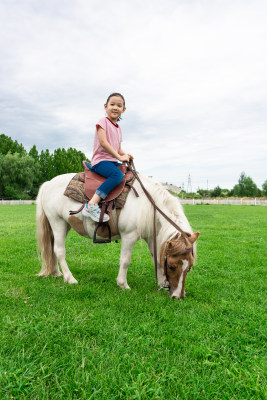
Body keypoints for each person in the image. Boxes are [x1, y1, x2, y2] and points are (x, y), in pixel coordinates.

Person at [82, 93, 133, 222]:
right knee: (117, 175)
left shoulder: (119, 129)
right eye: (112, 104)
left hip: (111, 160)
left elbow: (118, 149)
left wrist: (125, 155)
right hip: (100, 160)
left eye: (119, 105)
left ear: (124, 110)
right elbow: (104, 143)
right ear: (105, 106)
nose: (115, 107)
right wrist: (119, 157)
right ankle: (92, 204)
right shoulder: (102, 121)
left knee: (128, 172)